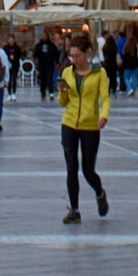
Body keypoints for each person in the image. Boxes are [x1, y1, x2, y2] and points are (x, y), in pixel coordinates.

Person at [57, 32, 110, 224]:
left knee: (88, 170)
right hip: (69, 123)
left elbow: (104, 97)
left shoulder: (99, 73)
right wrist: (62, 92)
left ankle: (99, 192)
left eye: (78, 56)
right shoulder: (67, 73)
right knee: (71, 167)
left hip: (90, 125)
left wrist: (104, 115)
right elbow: (63, 102)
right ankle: (74, 209)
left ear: (87, 53)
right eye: (72, 56)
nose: (74, 59)